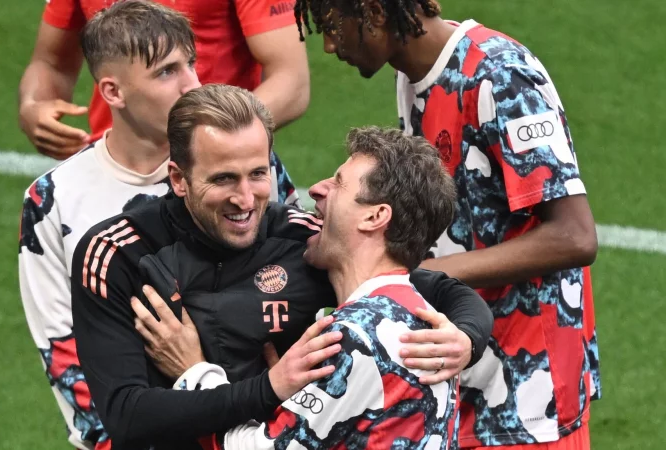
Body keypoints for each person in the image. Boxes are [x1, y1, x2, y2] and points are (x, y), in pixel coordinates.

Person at [71, 83, 494, 449]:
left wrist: (466, 338)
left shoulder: (301, 240)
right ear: (179, 178)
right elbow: (127, 417)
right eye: (223, 179)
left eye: (258, 174)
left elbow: (423, 285)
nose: (245, 198)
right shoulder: (116, 254)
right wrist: (268, 390)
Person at [295, 1, 600, 448]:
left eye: (335, 26)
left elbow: (574, 236)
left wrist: (419, 277)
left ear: (376, 13)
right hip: (465, 368)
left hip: (529, 393)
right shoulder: (413, 75)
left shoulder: (500, 73)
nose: (328, 45)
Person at [18, 3, 301, 449]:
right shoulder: (54, 199)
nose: (193, 84)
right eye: (167, 72)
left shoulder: (248, 172)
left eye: (192, 63)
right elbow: (62, 348)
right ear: (113, 92)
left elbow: (294, 291)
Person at [134, 126, 462, 449]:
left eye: (338, 182)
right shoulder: (427, 325)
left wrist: (194, 372)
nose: (318, 189)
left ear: (374, 217)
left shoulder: (355, 336)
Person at [18, 0, 310, 160]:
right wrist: (34, 106)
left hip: (214, 174)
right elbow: (51, 63)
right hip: (117, 169)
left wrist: (211, 137)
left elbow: (291, 81)